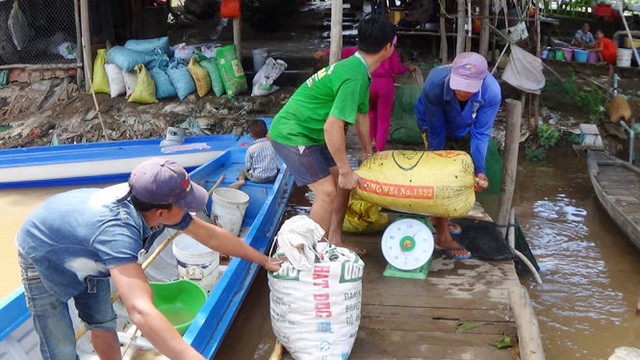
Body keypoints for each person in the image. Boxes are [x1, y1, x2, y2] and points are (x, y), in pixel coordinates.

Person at [16, 157, 282, 360]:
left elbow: (212, 236)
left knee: (103, 322)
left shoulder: (148, 199)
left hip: (88, 252)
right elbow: (140, 310)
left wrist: (262, 260)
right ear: (161, 213)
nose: (189, 208)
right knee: (60, 346)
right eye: (185, 203)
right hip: (43, 256)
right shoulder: (117, 233)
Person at [269, 14, 396, 256]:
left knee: (341, 181)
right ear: (389, 46)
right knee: (327, 191)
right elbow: (332, 127)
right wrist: (348, 171)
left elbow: (361, 117)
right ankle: (311, 256)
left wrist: (367, 154)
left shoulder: (358, 70)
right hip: (294, 133)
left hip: (311, 133)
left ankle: (334, 240)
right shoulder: (354, 76)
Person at [414, 52, 502, 260]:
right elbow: (437, 134)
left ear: (481, 82)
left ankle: (439, 216)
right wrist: (437, 165)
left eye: (469, 87)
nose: (462, 91)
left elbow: (480, 135)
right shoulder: (435, 85)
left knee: (464, 170)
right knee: (443, 176)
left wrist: (480, 170)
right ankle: (442, 237)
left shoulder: (491, 92)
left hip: (465, 127)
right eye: (459, 84)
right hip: (433, 124)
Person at [314, 36, 416, 152]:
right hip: (385, 85)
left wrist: (325, 53)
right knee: (383, 118)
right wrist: (407, 67)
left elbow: (345, 52)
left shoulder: (362, 50)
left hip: (369, 82)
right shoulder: (388, 50)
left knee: (369, 113)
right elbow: (397, 69)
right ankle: (379, 149)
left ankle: (371, 142)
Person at [230, 119, 279, 189]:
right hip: (272, 176)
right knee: (276, 167)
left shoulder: (251, 149)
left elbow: (248, 166)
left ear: (251, 134)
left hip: (257, 178)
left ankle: (241, 181)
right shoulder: (273, 144)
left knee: (243, 171)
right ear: (267, 131)